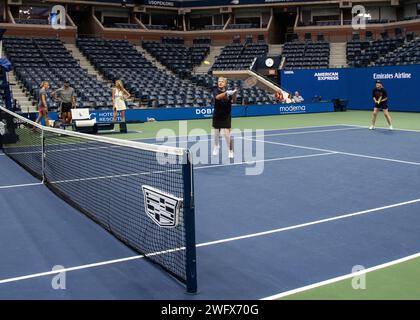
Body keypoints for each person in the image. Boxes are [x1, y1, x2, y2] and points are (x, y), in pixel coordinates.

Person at [212, 77, 236, 159]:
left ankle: (230, 150)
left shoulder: (229, 91)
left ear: (225, 83)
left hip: (226, 114)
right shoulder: (215, 89)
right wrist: (226, 93)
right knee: (216, 133)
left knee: (227, 134)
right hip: (217, 114)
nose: (220, 83)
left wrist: (234, 94)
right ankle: (216, 146)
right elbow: (217, 97)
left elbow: (233, 101)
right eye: (219, 81)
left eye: (222, 81)